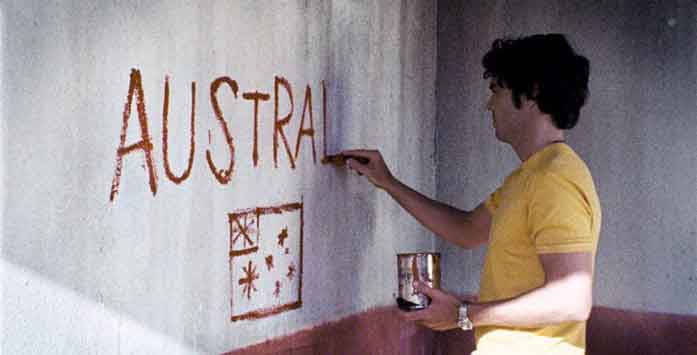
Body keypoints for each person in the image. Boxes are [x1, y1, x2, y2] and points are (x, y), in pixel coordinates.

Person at [342, 33, 601, 355]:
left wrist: (463, 315)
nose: (488, 104)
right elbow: (466, 229)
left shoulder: (554, 179)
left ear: (532, 92)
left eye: (496, 90)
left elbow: (571, 299)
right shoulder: (529, 176)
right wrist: (389, 182)